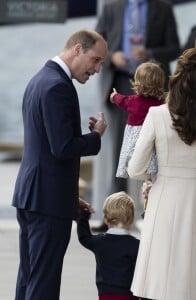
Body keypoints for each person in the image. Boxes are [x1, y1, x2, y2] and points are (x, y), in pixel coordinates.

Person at [127, 48, 196, 299]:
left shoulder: (157, 114)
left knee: (160, 278)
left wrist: (155, 179)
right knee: (192, 277)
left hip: (164, 196)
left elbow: (135, 168)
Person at [12, 29, 108, 300]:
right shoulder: (57, 86)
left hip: (35, 196)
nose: (98, 69)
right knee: (43, 282)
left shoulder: (40, 80)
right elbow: (62, 147)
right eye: (95, 60)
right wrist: (96, 136)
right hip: (46, 202)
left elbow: (45, 147)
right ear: (78, 49)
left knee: (30, 278)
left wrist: (68, 196)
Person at [93, 0, 180, 219]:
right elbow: (95, 41)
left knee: (159, 150)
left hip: (155, 89)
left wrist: (150, 52)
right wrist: (112, 55)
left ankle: (155, 211)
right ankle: (116, 215)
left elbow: (174, 48)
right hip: (121, 81)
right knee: (120, 152)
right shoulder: (112, 8)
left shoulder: (163, 8)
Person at [77, 191, 139, 300]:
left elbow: (84, 237)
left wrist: (84, 215)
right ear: (132, 219)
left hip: (105, 295)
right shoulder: (136, 246)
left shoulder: (100, 242)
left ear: (105, 219)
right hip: (128, 295)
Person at [110, 61, 165, 180]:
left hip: (134, 136)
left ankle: (125, 169)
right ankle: (152, 173)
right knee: (152, 155)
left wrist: (114, 96)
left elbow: (121, 100)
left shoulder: (133, 101)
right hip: (153, 135)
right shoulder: (160, 103)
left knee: (132, 157)